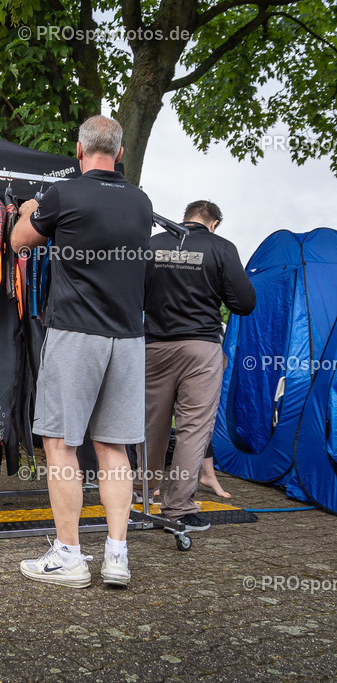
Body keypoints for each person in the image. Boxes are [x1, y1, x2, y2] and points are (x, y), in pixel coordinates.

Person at [11, 115, 152, 588]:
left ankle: (70, 555)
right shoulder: (141, 201)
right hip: (129, 338)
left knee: (60, 443)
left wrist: (29, 209)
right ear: (121, 152)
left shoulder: (63, 194)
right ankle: (117, 556)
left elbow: (19, 242)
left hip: (76, 333)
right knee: (114, 446)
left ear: (78, 149)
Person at [143, 200, 256, 529]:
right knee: (193, 428)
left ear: (185, 217)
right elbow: (244, 302)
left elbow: (132, 293)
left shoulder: (152, 244)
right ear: (214, 223)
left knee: (151, 423)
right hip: (200, 346)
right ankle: (178, 508)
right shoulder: (221, 247)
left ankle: (141, 488)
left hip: (153, 346)